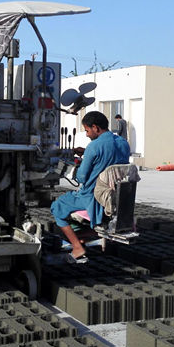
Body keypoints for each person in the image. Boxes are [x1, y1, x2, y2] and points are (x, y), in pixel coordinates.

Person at [50, 111, 130, 263]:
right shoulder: (123, 143)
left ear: (95, 128)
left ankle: (77, 247)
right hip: (116, 197)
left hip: (92, 197)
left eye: (87, 130)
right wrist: (87, 154)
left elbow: (81, 177)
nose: (86, 135)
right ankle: (84, 237)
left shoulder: (94, 146)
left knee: (57, 207)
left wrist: (79, 163)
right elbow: (110, 159)